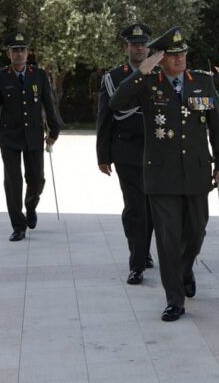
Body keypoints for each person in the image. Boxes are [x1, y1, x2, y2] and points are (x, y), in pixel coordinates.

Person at [109, 26, 219, 321]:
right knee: (168, 238)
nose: (180, 59)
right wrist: (142, 72)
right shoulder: (149, 84)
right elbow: (116, 103)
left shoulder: (202, 81)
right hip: (162, 177)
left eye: (182, 53)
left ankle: (185, 269)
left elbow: (216, 127)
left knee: (196, 233)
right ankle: (174, 298)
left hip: (198, 174)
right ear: (159, 58)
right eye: (172, 55)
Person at [96, 23, 156, 285]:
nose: (139, 48)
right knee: (135, 207)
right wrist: (103, 154)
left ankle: (144, 250)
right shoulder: (114, 77)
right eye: (134, 44)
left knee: (153, 206)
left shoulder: (159, 73)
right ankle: (137, 262)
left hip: (156, 149)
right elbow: (105, 116)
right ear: (127, 48)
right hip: (127, 150)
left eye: (143, 44)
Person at [0, 32, 61, 241]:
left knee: (36, 179)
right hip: (9, 136)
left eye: (23, 49)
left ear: (28, 52)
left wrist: (54, 131)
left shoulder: (39, 75)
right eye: (15, 50)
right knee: (12, 182)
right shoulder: (0, 76)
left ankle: (30, 206)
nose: (19, 53)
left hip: (34, 135)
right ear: (9, 53)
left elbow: (48, 104)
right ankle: (18, 225)